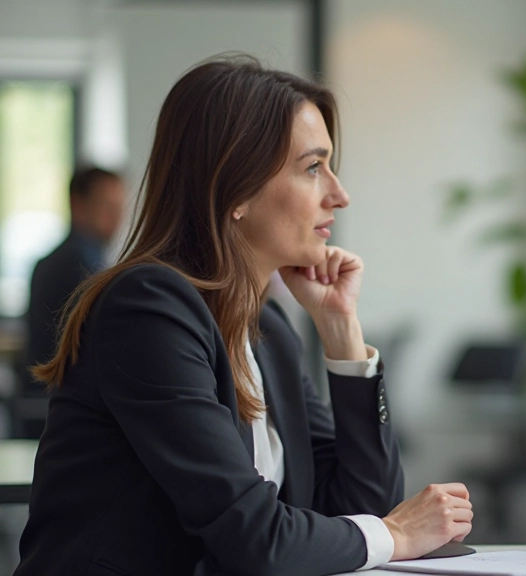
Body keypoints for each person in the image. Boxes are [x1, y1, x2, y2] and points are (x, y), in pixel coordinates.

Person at [15, 57, 472, 575]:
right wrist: (398, 533)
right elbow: (255, 538)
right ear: (235, 187)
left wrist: (340, 328)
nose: (339, 195)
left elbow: (359, 509)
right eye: (313, 168)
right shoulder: (147, 310)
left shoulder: (268, 330)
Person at [22, 167, 125, 399]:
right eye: (107, 206)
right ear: (77, 204)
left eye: (119, 207)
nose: (116, 217)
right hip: (58, 401)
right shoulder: (80, 263)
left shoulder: (58, 259)